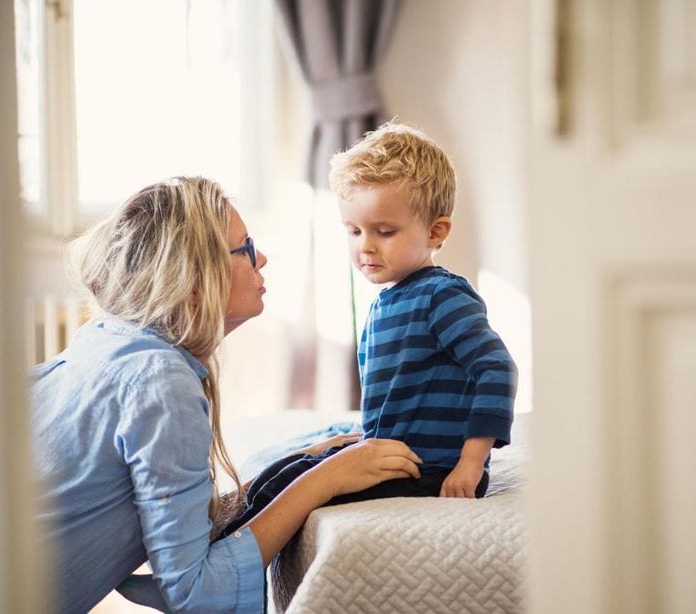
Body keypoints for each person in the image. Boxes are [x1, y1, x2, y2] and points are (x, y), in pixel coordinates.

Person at [30, 176, 423, 613]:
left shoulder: (106, 340)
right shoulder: (159, 381)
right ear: (194, 280)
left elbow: (179, 521)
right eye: (245, 248)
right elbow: (197, 592)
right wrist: (325, 479)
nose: (263, 258)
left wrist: (301, 464)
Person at [215, 123, 517, 535]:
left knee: (299, 487)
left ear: (435, 231)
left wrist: (470, 463)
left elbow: (497, 370)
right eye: (354, 231)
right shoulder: (388, 301)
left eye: (385, 232)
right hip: (392, 457)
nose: (365, 246)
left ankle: (218, 554)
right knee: (289, 468)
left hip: (428, 470)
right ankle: (210, 536)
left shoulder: (441, 297)